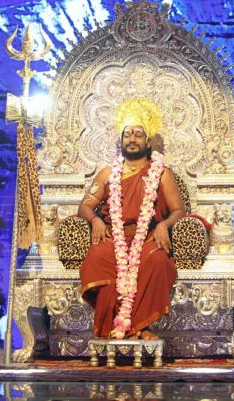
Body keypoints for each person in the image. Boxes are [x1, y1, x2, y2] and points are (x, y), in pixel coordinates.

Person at [79, 98, 184, 340]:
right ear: (121, 140)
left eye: (138, 134)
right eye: (127, 134)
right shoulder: (107, 174)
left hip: (146, 236)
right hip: (113, 237)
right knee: (96, 258)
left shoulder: (162, 174)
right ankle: (114, 325)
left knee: (157, 260)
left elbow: (179, 210)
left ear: (147, 141)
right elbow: (85, 206)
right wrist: (95, 220)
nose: (132, 139)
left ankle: (139, 327)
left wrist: (164, 225)